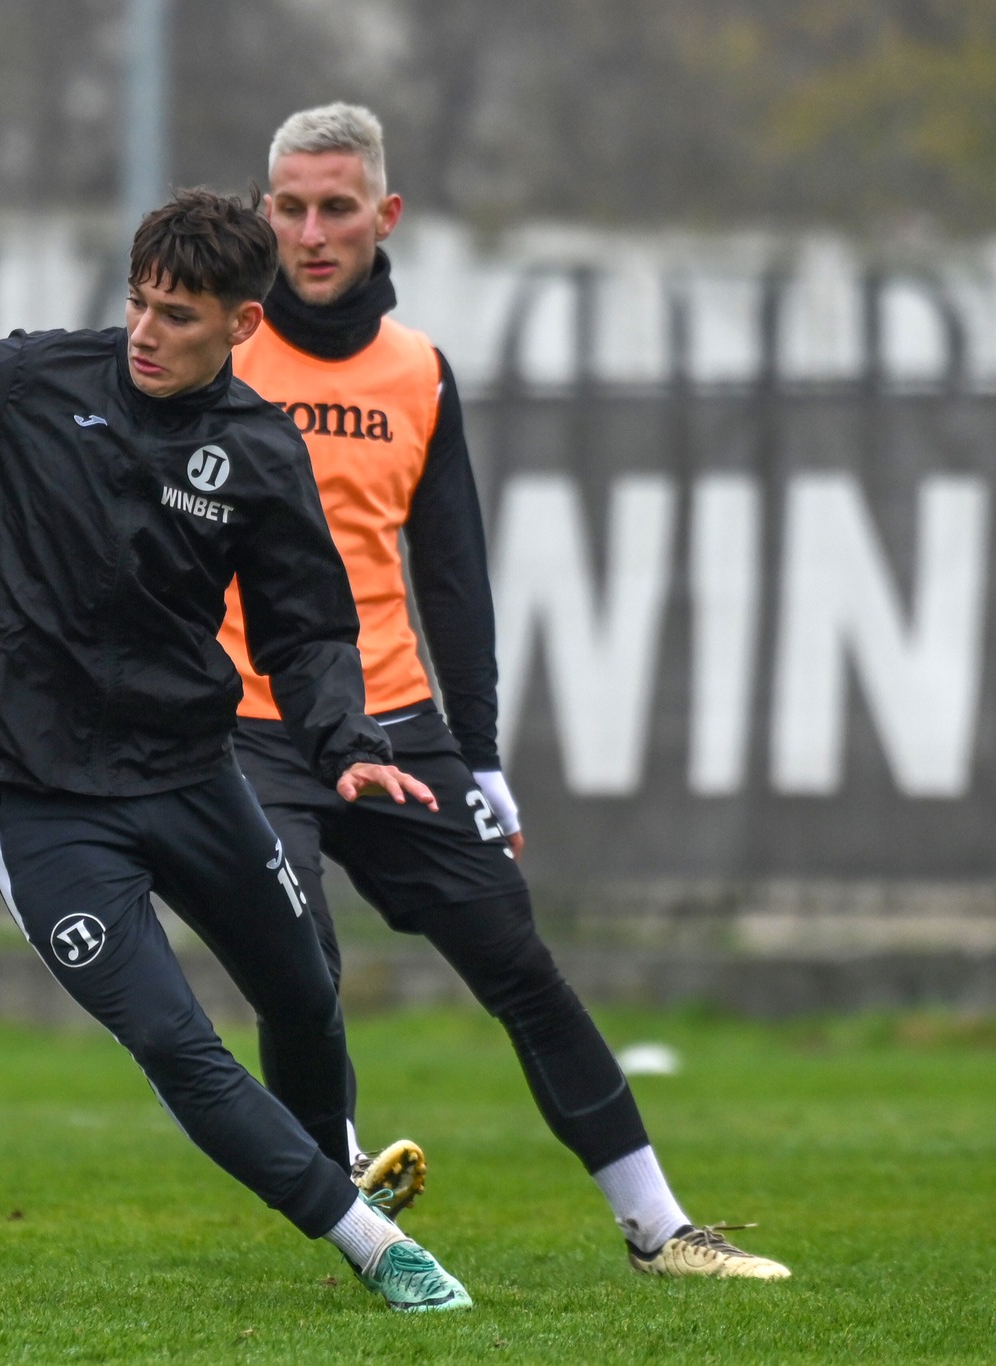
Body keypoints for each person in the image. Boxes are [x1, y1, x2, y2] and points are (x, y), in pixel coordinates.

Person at [0, 189, 473, 1312]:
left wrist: (344, 741)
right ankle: (368, 1242)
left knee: (304, 993)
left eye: (179, 315)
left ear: (242, 325)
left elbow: (307, 631)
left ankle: (329, 1168)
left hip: (187, 770)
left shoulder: (260, 450)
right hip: (32, 788)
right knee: (174, 1039)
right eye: (139, 303)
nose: (147, 333)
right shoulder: (40, 378)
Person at [218, 103, 791, 1280]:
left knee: (517, 962)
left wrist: (475, 753)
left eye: (336, 208)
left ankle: (657, 1228)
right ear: (262, 211)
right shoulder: (215, 352)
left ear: (384, 215)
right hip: (248, 723)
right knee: (295, 957)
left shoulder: (417, 372)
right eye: (291, 208)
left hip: (392, 720)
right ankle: (344, 1183)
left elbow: (451, 575)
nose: (311, 233)